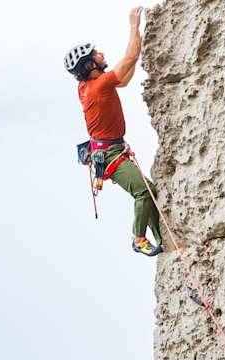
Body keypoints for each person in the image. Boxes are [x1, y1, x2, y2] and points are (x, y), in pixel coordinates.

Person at [65, 7, 165, 257]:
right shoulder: (99, 87)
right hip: (110, 154)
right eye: (96, 54)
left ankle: (161, 238)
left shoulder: (86, 87)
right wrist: (134, 27)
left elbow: (126, 77)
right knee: (144, 192)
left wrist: (135, 54)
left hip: (108, 150)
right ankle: (139, 239)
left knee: (149, 190)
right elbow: (130, 57)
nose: (101, 54)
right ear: (90, 65)